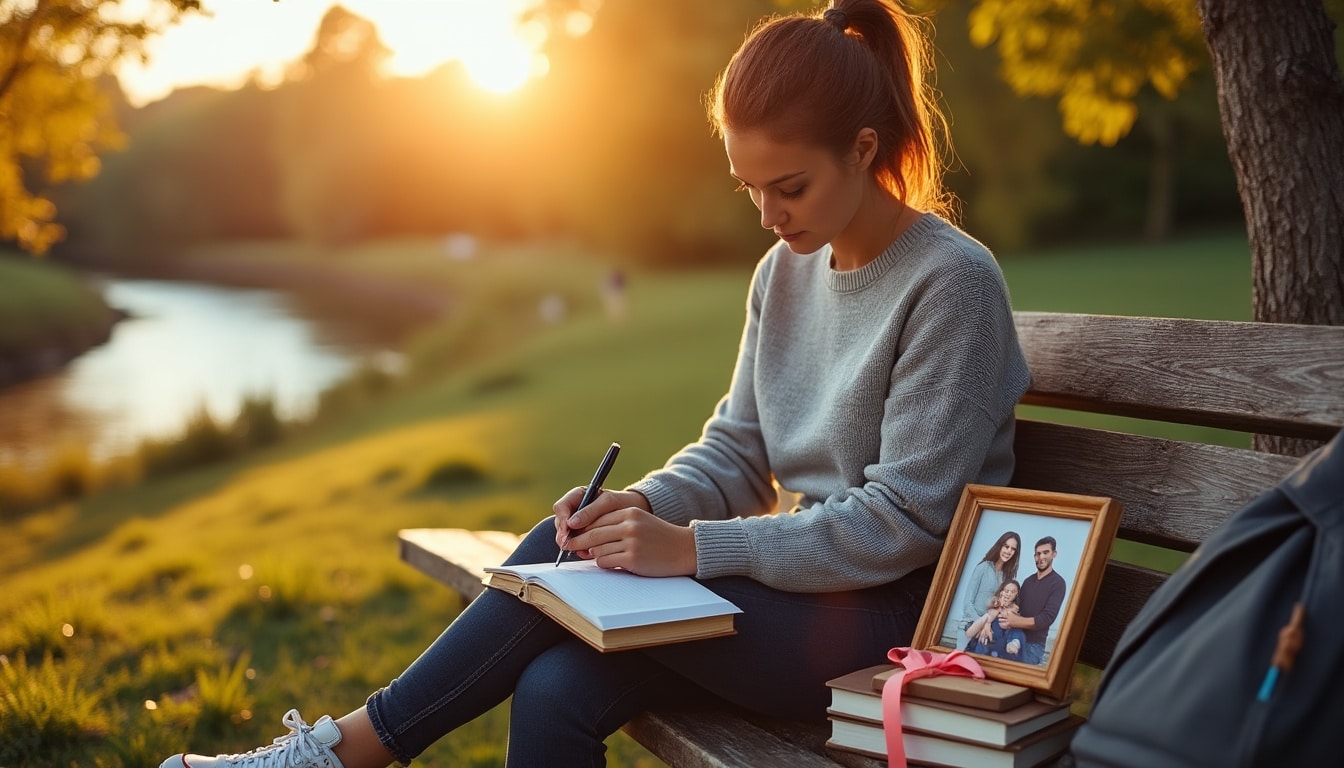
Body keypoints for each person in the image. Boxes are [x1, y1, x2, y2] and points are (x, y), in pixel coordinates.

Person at [160, 2, 1030, 766]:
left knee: (554, 571)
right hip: (794, 597)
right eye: (749, 189)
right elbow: (739, 450)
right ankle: (341, 753)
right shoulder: (783, 270)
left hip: (893, 624)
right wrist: (639, 512)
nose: (768, 216)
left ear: (864, 149)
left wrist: (691, 550)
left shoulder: (950, 283)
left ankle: (342, 754)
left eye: (789, 187)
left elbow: (906, 521)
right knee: (553, 681)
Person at [999, 536, 1066, 666]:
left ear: (1054, 554)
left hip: (1033, 646)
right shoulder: (1028, 582)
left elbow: (1046, 619)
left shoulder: (1058, 583)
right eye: (1037, 554)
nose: (1041, 557)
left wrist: (1015, 621)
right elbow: (1017, 607)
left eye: (1045, 552)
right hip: (1012, 636)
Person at [959, 531, 1020, 630]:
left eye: (1013, 549)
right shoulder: (983, 567)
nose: (1009, 551)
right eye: (1006, 546)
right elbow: (967, 604)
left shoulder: (1007, 578)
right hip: (970, 625)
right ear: (1000, 546)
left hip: (991, 628)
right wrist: (983, 624)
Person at [964, 579, 1026, 660]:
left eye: (1013, 592)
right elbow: (970, 633)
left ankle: (1014, 643)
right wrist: (988, 622)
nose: (1009, 594)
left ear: (1016, 595)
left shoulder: (1015, 609)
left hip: (1003, 644)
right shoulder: (994, 605)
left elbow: (1012, 619)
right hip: (986, 643)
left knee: (1015, 628)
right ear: (1001, 592)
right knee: (987, 621)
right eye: (1007, 591)